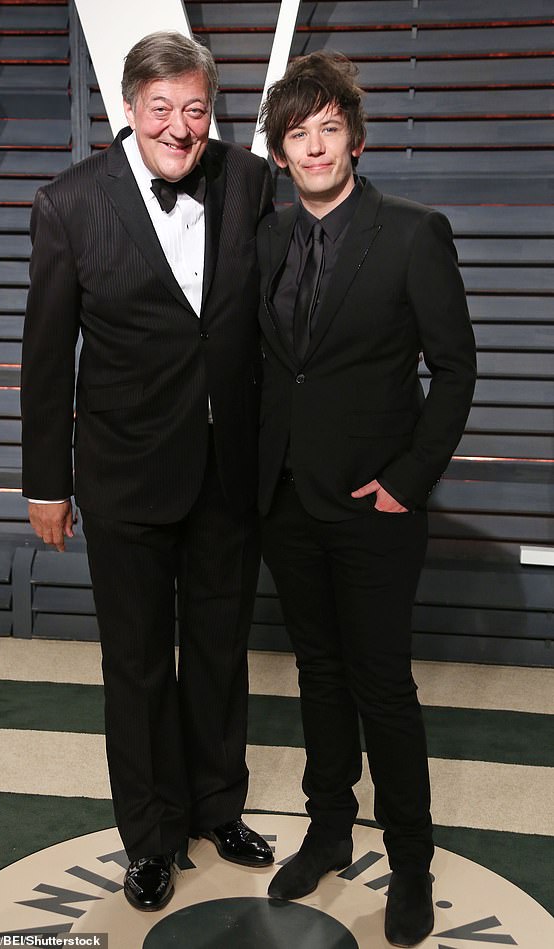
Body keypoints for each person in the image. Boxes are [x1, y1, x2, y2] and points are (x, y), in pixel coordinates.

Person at [20, 31, 274, 912]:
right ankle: (151, 836)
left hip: (229, 470)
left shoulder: (250, 181)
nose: (179, 126)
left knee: (219, 651)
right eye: (161, 107)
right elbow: (46, 357)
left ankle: (218, 807)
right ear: (128, 109)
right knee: (135, 664)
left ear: (212, 112)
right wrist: (46, 483)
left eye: (195, 109)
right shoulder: (69, 202)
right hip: (124, 474)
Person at [257, 52, 476, 946]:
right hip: (286, 501)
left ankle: (411, 865)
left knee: (382, 686)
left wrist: (406, 482)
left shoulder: (415, 232)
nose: (314, 146)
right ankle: (329, 831)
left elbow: (455, 369)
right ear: (280, 151)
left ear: (355, 137)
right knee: (318, 673)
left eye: (329, 128)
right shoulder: (267, 236)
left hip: (374, 506)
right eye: (297, 133)